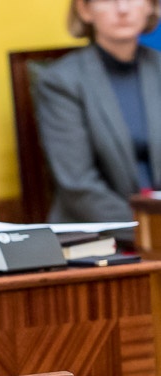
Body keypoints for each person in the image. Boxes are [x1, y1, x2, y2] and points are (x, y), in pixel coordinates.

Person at [35, 0, 161, 232]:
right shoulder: (61, 81)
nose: (123, 9)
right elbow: (78, 186)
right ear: (84, 9)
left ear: (151, 6)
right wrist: (149, 230)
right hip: (96, 235)